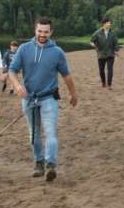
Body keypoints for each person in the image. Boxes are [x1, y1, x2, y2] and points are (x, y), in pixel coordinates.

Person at [8, 17, 78, 182]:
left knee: (51, 132)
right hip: (29, 99)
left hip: (49, 98)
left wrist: (73, 93)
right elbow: (12, 70)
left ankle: (51, 165)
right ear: (35, 30)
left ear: (51, 32)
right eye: (40, 31)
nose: (42, 34)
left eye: (46, 32)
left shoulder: (57, 52)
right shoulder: (24, 49)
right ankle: (38, 162)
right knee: (34, 134)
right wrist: (17, 85)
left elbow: (66, 75)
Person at [90, 18, 120, 89]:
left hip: (110, 54)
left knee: (110, 70)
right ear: (104, 24)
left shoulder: (112, 33)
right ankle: (103, 82)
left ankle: (109, 85)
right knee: (101, 70)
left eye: (110, 23)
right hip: (101, 54)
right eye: (108, 23)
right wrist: (93, 44)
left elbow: (116, 43)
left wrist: (116, 49)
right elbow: (91, 41)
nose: (110, 24)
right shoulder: (97, 33)